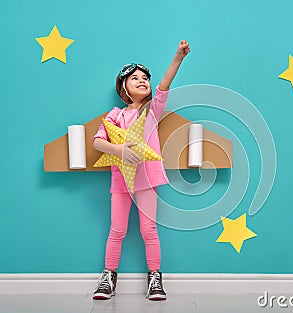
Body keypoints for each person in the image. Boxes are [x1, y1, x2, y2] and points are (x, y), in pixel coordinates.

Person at [92, 40, 191, 301]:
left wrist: (178, 58)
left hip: (147, 179)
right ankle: (108, 277)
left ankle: (155, 278)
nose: (142, 80)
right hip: (120, 181)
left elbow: (165, 85)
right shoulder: (114, 115)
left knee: (149, 230)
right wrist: (121, 150)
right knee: (117, 229)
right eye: (135, 78)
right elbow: (98, 142)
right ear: (123, 87)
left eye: (145, 78)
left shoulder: (152, 110)